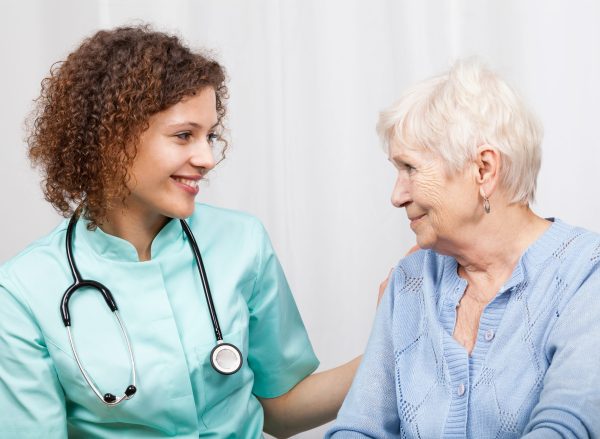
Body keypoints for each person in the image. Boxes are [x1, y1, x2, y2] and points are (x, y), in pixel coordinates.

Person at [0, 26, 360, 438]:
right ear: (112, 139)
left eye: (211, 136)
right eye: (184, 135)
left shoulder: (242, 242)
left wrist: (396, 344)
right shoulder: (23, 290)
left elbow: (280, 410)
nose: (207, 158)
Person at [326, 59, 600, 437]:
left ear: (484, 169)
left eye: (410, 168)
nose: (396, 196)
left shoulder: (586, 273)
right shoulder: (410, 279)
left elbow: (566, 428)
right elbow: (359, 427)